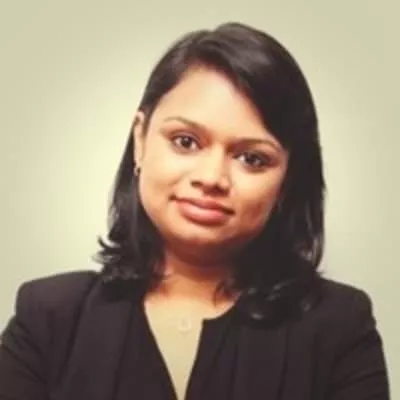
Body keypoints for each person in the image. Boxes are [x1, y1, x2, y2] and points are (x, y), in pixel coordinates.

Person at [0, 22, 389, 400]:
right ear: (140, 139)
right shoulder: (47, 317)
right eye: (185, 141)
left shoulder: (340, 328)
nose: (211, 177)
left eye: (252, 158)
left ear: (287, 180)